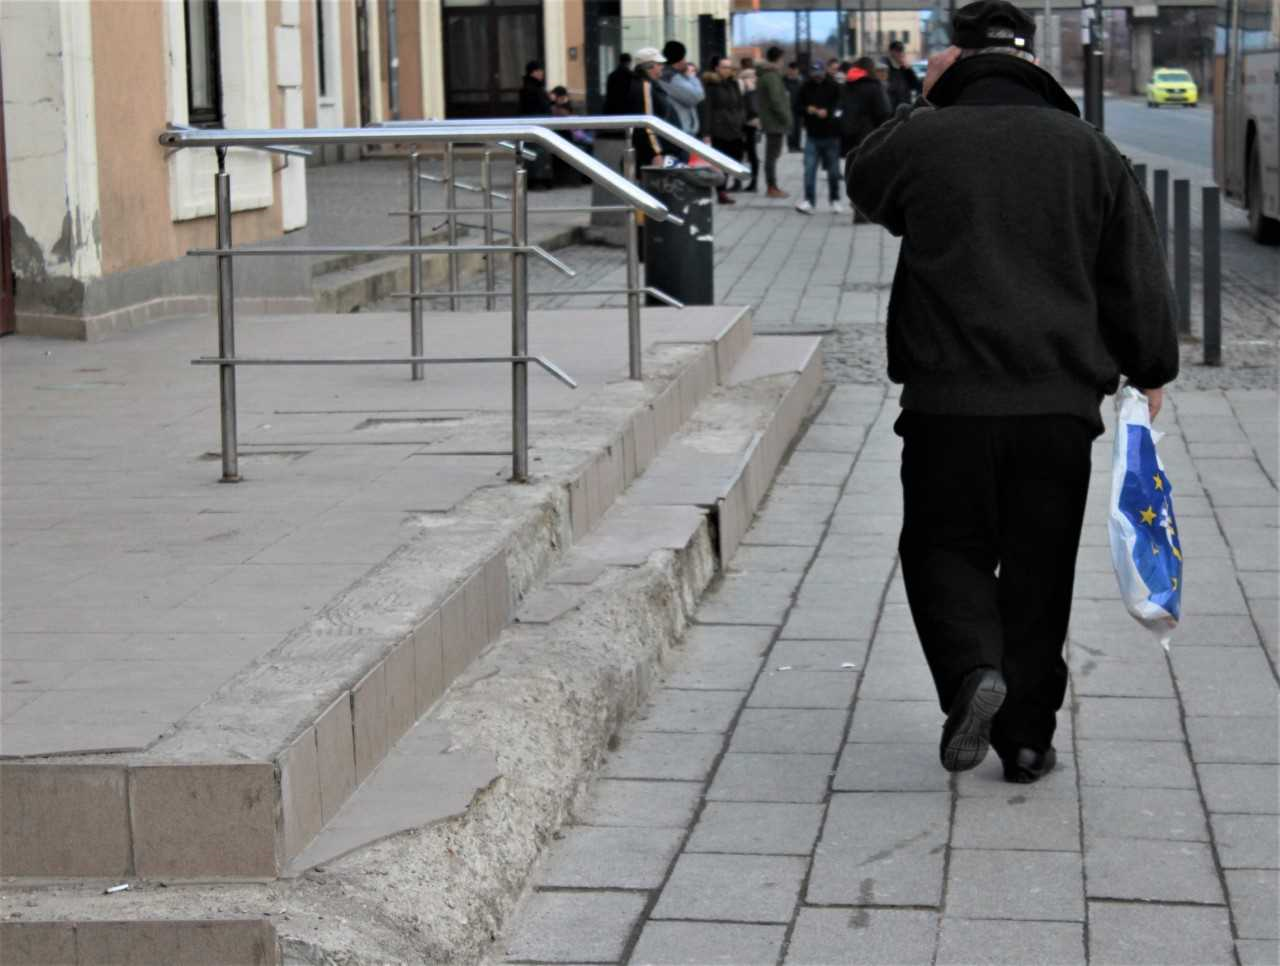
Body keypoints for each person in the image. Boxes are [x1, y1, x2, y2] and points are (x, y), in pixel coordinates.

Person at [845, 0, 1179, 784]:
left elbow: (864, 182)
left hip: (947, 401)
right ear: (1034, 63)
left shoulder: (925, 137)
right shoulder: (1088, 148)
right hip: (1058, 405)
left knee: (942, 545)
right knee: (1040, 564)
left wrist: (924, 103)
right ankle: (1026, 740)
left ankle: (972, 669)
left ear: (955, 59)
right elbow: (1133, 270)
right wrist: (1150, 367)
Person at [795, 60, 845, 214]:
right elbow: (797, 107)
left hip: (831, 135)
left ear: (824, 72)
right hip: (812, 135)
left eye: (819, 73)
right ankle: (809, 200)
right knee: (809, 170)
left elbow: (840, 107)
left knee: (833, 171)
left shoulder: (834, 86)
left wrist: (829, 113)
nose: (817, 76)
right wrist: (807, 109)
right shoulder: (805, 86)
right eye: (814, 73)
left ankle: (835, 199)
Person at [700, 57, 746, 204]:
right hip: (719, 129)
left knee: (735, 157)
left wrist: (741, 120)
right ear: (717, 68)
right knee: (720, 161)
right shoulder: (711, 86)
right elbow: (707, 109)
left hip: (735, 127)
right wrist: (706, 132)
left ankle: (725, 187)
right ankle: (721, 191)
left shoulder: (734, 84)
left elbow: (740, 105)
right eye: (724, 67)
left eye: (730, 67)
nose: (728, 70)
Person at [755, 45, 793, 198]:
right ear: (778, 59)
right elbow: (776, 100)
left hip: (770, 120)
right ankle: (772, 187)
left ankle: (772, 186)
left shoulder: (766, 75)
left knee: (772, 155)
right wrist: (786, 118)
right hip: (774, 122)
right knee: (772, 156)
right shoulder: (771, 76)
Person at [838, 56, 892, 158]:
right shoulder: (874, 86)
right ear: (871, 69)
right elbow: (884, 111)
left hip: (848, 137)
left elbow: (839, 109)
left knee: (851, 164)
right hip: (869, 136)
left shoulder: (846, 86)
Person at [627, 47, 671, 168]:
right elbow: (647, 122)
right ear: (649, 66)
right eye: (659, 64)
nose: (662, 67)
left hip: (656, 143)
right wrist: (656, 152)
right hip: (651, 148)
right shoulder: (644, 86)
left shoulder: (648, 84)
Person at [659, 41, 705, 149]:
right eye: (684, 58)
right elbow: (697, 96)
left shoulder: (668, 76)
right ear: (679, 60)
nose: (685, 62)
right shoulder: (672, 78)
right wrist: (691, 76)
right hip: (681, 132)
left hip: (678, 130)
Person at [518, 61, 555, 189]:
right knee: (537, 152)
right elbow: (539, 106)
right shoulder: (531, 88)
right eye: (538, 71)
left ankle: (538, 179)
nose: (541, 73)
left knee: (536, 152)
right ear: (532, 73)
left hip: (536, 125)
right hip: (535, 125)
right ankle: (538, 180)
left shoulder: (534, 87)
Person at [736, 60, 760, 192]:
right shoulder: (757, 80)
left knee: (740, 152)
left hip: (743, 120)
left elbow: (738, 99)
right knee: (752, 153)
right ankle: (753, 182)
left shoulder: (742, 80)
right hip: (753, 120)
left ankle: (738, 181)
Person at [884, 39, 923, 107]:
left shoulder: (904, 69)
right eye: (897, 51)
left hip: (904, 107)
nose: (900, 54)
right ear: (891, 52)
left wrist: (908, 70)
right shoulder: (885, 68)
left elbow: (916, 85)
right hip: (891, 108)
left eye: (901, 51)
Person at [784, 62, 804, 151]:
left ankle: (797, 145)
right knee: (791, 127)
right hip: (788, 107)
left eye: (796, 70)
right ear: (789, 70)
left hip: (799, 107)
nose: (794, 72)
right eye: (792, 70)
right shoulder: (784, 81)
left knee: (798, 128)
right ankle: (791, 146)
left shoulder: (800, 81)